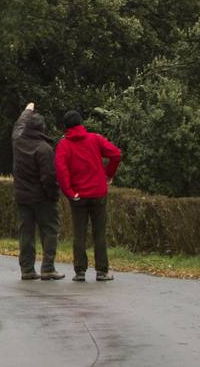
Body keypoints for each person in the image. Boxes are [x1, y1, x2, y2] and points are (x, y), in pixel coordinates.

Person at [55, 110, 122, 282]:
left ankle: (80, 271)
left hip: (79, 195)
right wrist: (109, 173)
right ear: (81, 122)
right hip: (98, 192)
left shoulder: (64, 145)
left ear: (66, 126)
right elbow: (116, 154)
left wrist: (69, 192)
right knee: (99, 233)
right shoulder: (95, 139)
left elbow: (62, 172)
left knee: (79, 233)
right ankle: (102, 270)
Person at [12, 102, 62, 280]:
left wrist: (27, 110)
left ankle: (27, 269)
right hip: (42, 197)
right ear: (42, 128)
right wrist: (54, 195)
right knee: (50, 230)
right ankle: (48, 267)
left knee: (26, 232)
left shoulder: (18, 139)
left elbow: (19, 124)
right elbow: (48, 177)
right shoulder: (44, 149)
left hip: (22, 196)